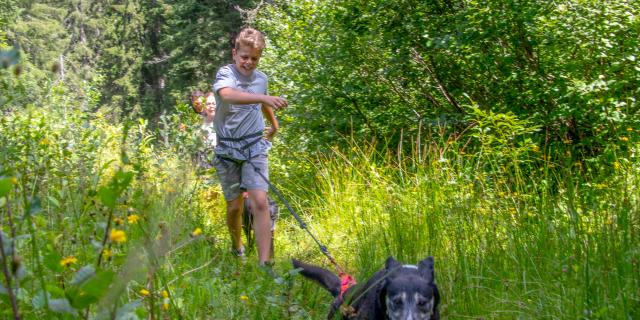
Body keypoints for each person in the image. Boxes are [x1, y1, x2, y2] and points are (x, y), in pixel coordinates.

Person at [212, 27, 287, 267]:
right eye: (244, 57)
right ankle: (237, 247)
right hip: (228, 149)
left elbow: (262, 101)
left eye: (254, 58)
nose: (249, 62)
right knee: (234, 207)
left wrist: (273, 125)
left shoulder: (261, 78)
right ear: (235, 53)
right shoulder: (226, 74)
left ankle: (265, 264)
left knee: (260, 201)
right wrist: (264, 99)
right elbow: (227, 95)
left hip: (255, 146)